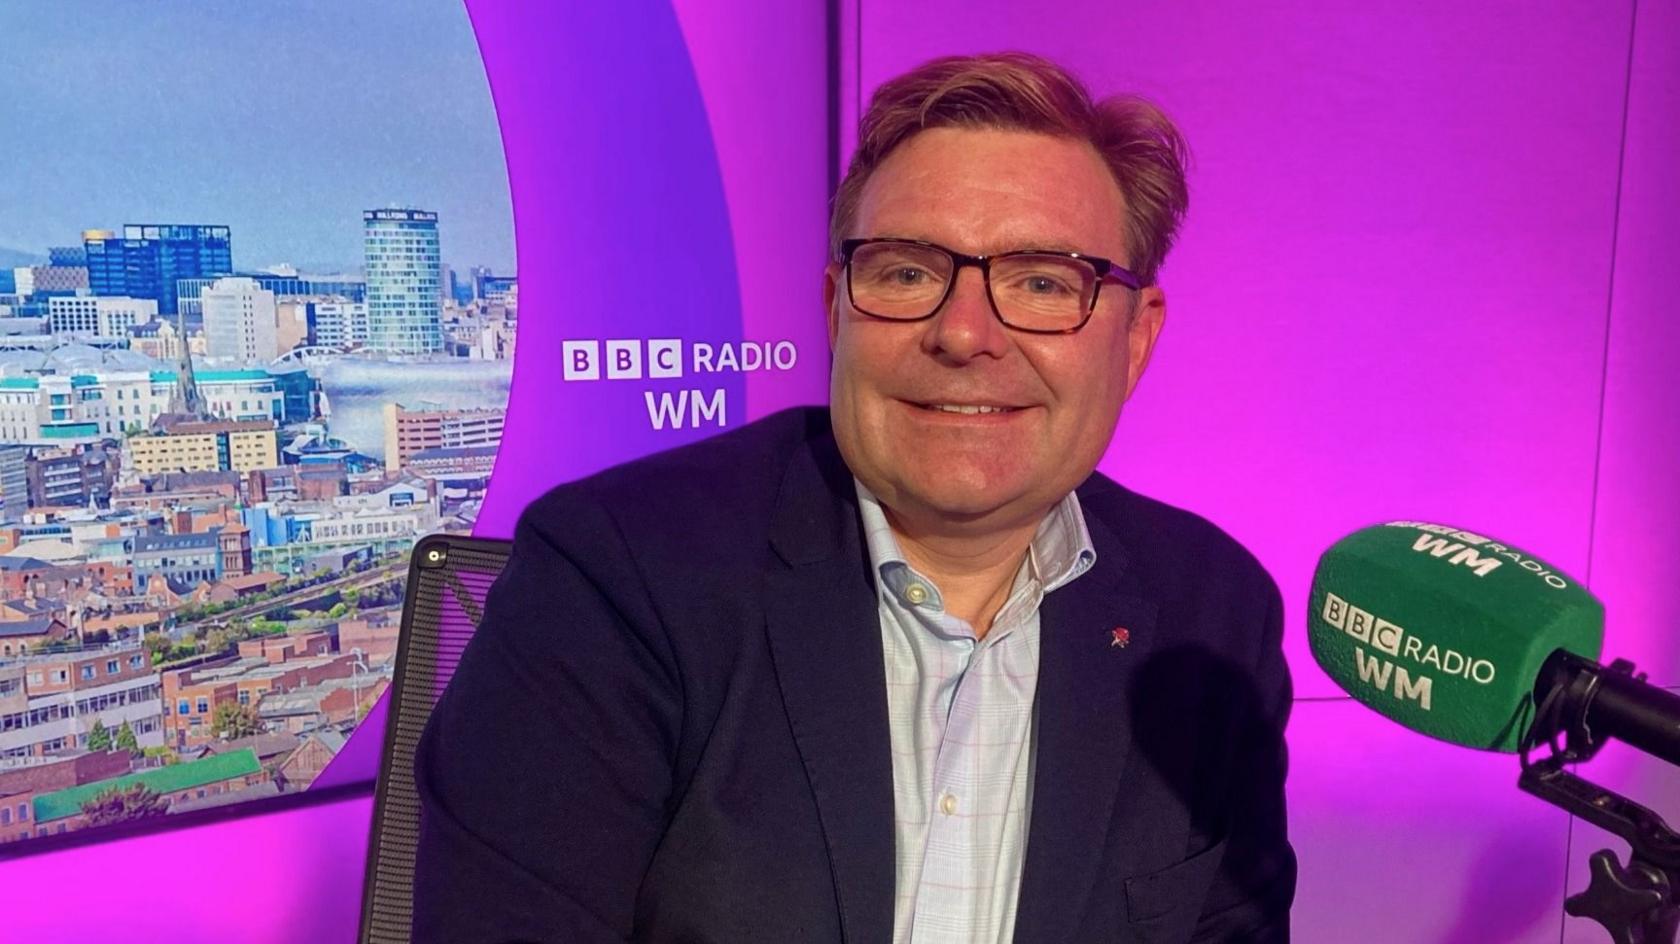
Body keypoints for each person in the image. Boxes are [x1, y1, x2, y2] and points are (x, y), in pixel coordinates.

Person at [414, 51, 1295, 943]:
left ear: (1136, 341)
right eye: (908, 272)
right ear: (838, 311)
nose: (962, 333)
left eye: (1042, 282)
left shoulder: (1214, 617)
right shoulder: (614, 577)